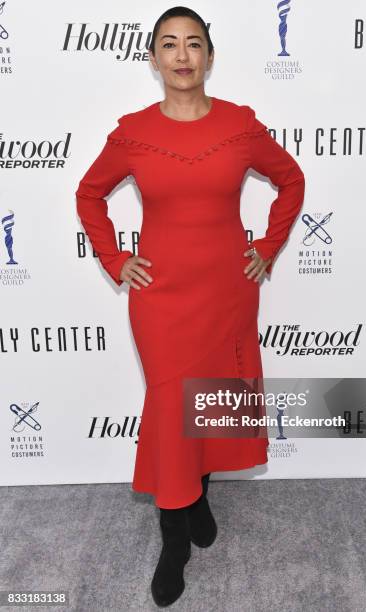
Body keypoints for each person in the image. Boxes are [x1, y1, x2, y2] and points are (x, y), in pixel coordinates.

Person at [75, 5, 305, 608]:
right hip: (161, 297)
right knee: (171, 401)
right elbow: (89, 194)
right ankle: (173, 539)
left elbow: (292, 181)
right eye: (169, 45)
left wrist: (269, 246)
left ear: (209, 55)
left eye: (194, 44)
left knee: (208, 399)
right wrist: (114, 258)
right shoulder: (131, 133)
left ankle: (199, 495)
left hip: (227, 293)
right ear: (153, 59)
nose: (182, 56)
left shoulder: (240, 126)